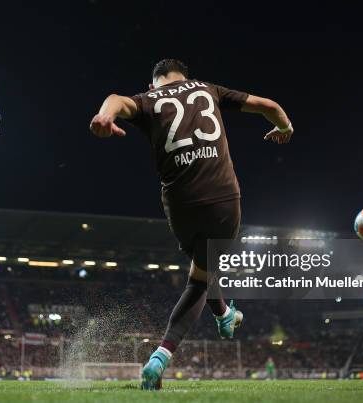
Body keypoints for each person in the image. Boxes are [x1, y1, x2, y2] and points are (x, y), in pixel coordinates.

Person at [90, 59, 293, 389]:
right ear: (184, 75)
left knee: (202, 267)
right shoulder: (209, 89)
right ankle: (161, 356)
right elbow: (268, 106)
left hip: (180, 205)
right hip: (223, 199)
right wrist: (284, 127)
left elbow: (116, 98)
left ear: (155, 82)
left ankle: (224, 314)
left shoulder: (149, 100)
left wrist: (104, 116)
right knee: (200, 278)